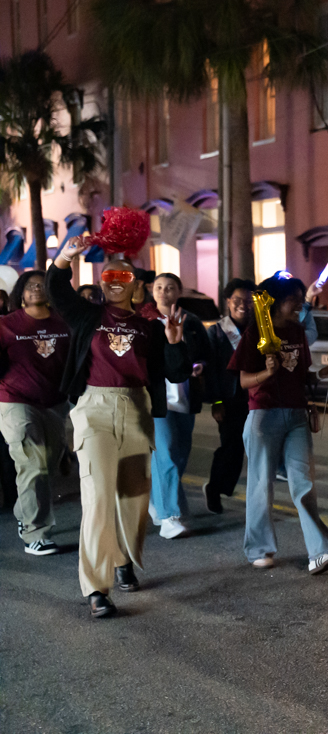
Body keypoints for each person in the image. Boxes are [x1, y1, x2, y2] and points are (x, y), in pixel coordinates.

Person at [49, 236, 192, 618]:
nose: (115, 279)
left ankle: (124, 558)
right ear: (101, 280)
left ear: (135, 283)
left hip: (136, 408)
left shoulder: (149, 327)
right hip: (93, 409)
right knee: (96, 498)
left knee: (133, 499)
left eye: (123, 274)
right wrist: (65, 256)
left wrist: (174, 343)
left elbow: (175, 372)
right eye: (109, 273)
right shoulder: (87, 315)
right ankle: (96, 589)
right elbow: (56, 288)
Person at [229, 272, 328, 574]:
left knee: (304, 483)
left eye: (301, 299)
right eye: (295, 299)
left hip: (296, 416)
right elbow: (243, 381)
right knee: (261, 485)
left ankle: (319, 550)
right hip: (263, 416)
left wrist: (320, 381)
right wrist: (266, 374)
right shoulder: (254, 335)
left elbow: (302, 375)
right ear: (276, 301)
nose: (300, 305)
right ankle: (259, 548)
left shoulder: (298, 333)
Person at [0, 271, 71, 555]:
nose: (36, 289)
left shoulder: (64, 321)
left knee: (47, 467)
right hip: (16, 400)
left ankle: (24, 512)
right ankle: (35, 533)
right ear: (21, 292)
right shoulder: (6, 324)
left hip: (54, 402)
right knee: (33, 464)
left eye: (42, 284)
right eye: (30, 285)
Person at [148, 273, 213, 539]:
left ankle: (157, 501)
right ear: (152, 291)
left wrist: (200, 366)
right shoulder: (145, 322)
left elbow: (207, 356)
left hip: (186, 396)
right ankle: (169, 517)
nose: (164, 292)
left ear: (179, 291)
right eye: (159, 287)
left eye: (170, 287)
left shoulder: (193, 322)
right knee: (166, 454)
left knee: (180, 455)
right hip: (157, 399)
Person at [203, 279, 255, 514]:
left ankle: (225, 486)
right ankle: (214, 488)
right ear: (228, 302)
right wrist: (216, 401)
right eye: (237, 300)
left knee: (247, 447)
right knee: (231, 446)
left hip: (256, 397)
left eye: (248, 300)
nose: (243, 305)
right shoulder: (216, 331)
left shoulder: (259, 329)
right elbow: (211, 369)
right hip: (230, 397)